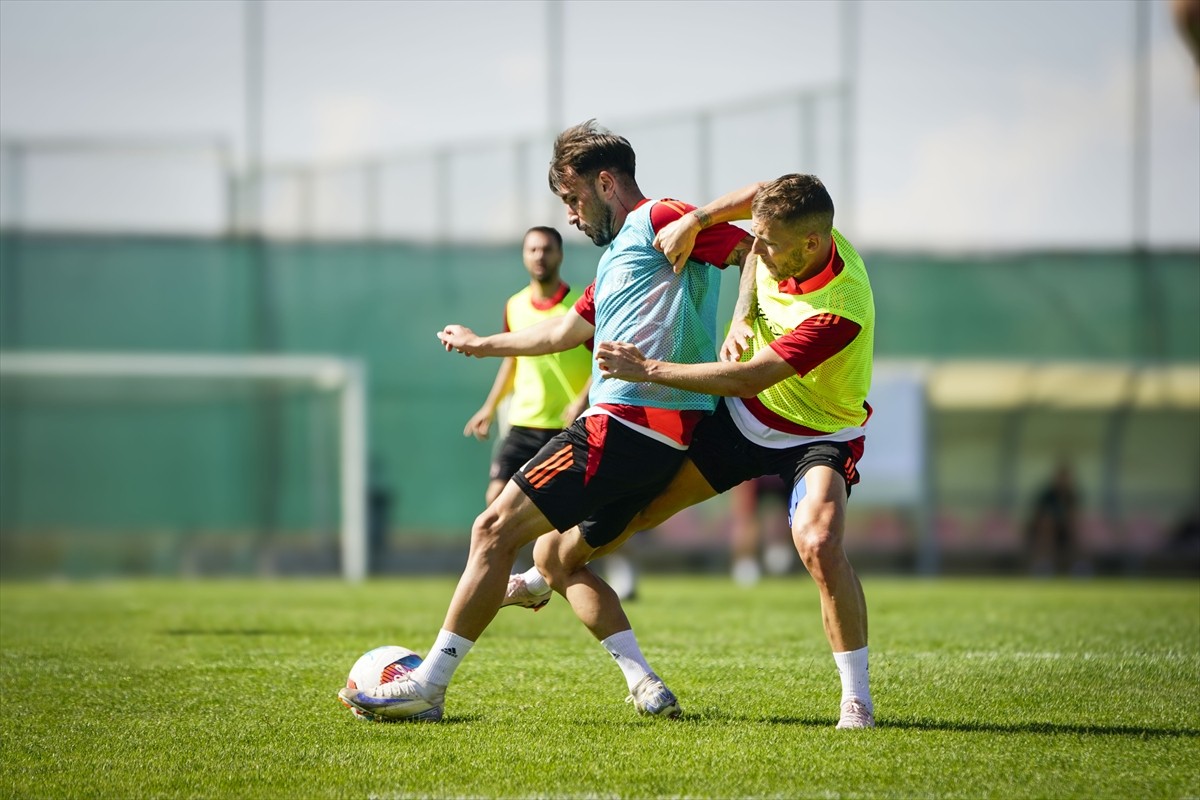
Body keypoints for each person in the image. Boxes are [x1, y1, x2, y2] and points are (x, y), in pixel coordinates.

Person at [338, 120, 752, 722]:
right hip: (658, 439)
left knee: (491, 530)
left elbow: (749, 250)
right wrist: (484, 344)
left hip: (624, 423)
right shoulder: (614, 265)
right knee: (558, 561)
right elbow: (562, 331)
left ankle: (428, 683)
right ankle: (645, 683)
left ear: (605, 183)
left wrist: (741, 321)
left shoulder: (662, 218)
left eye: (573, 199)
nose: (573, 217)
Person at [520, 173, 878, 729]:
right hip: (741, 422)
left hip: (815, 434)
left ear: (812, 244)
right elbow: (758, 197)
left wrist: (648, 370)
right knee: (638, 511)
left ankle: (856, 698)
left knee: (819, 540)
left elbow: (749, 378)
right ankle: (548, 574)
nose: (758, 250)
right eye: (757, 237)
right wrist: (698, 220)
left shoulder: (840, 308)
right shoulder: (786, 237)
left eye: (771, 244)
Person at [462, 226, 591, 511]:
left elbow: (601, 359)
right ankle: (516, 556)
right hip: (523, 422)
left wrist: (581, 401)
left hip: (565, 426)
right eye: (532, 249)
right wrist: (489, 406)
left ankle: (553, 557)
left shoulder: (581, 305)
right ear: (523, 256)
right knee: (495, 498)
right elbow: (512, 360)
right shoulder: (515, 305)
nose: (539, 256)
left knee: (562, 511)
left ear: (560, 255)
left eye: (546, 249)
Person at [1025, 461, 1081, 576]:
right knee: (1047, 527)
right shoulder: (1047, 495)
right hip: (1042, 529)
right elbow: (1040, 516)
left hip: (1063, 530)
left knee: (1077, 529)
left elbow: (1073, 516)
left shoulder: (1071, 495)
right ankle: (1043, 564)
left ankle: (1078, 566)